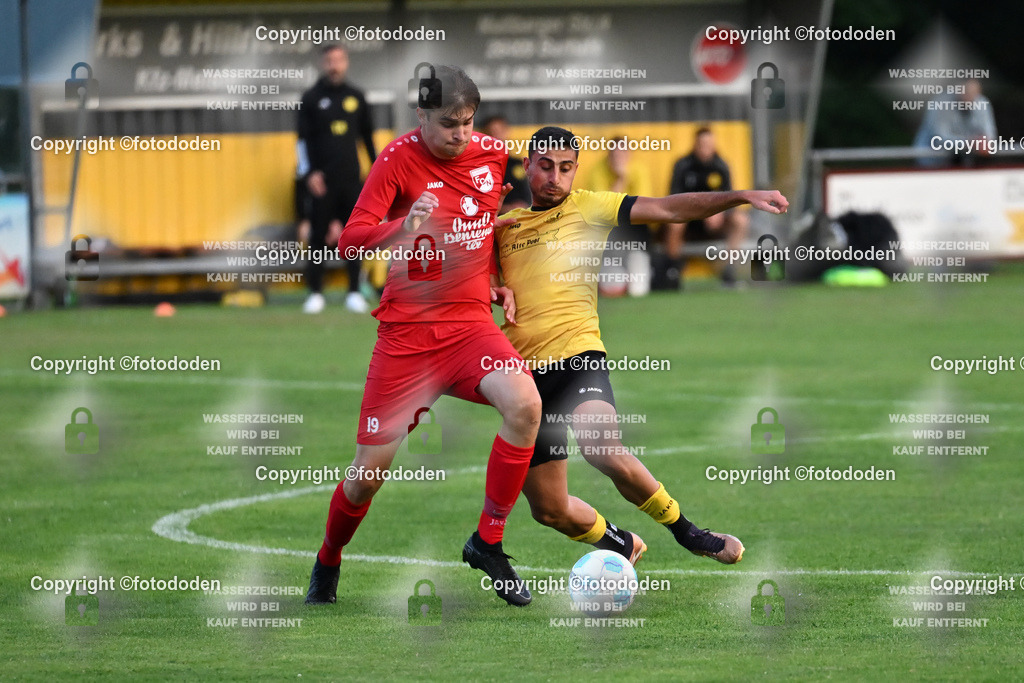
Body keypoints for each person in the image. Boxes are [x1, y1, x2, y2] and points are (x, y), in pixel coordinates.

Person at [493, 126, 789, 566]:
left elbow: (670, 209)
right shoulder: (502, 227)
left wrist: (739, 195)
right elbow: (471, 278)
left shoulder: (591, 206)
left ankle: (689, 533)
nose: (556, 176)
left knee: (601, 446)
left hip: (578, 357)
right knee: (549, 509)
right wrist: (494, 289)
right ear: (528, 166)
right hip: (525, 380)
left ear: (576, 172)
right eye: (546, 166)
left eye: (566, 168)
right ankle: (621, 544)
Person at [305, 65, 541, 608]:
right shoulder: (395, 159)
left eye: (467, 122)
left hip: (469, 328)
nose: (460, 133)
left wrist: (496, 283)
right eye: (448, 123)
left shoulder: (492, 154)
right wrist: (403, 226)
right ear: (421, 116)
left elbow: (481, 227)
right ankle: (328, 558)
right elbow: (351, 243)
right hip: (407, 337)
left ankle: (489, 542)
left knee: (525, 405)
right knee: (366, 479)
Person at [297, 44, 377, 314]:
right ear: (323, 63)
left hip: (351, 180)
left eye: (339, 60)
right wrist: (309, 173)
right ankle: (315, 293)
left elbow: (366, 138)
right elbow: (302, 141)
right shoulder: (310, 98)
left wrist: (377, 171)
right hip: (322, 181)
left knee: (353, 235)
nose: (334, 65)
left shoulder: (357, 96)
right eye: (329, 60)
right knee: (317, 236)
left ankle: (354, 291)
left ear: (346, 63)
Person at [664, 127, 750, 287]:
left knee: (740, 220)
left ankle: (729, 270)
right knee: (674, 223)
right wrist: (703, 211)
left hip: (714, 224)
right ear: (695, 144)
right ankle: (672, 272)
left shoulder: (721, 166)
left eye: (709, 144)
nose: (705, 148)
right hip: (689, 221)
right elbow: (672, 199)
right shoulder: (683, 165)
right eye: (702, 144)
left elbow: (731, 199)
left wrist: (719, 212)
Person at [580, 137, 653, 297]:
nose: (619, 159)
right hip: (608, 242)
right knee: (612, 290)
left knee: (638, 291)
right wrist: (621, 179)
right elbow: (602, 210)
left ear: (629, 155)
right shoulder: (597, 171)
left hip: (635, 237)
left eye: (623, 154)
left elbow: (643, 209)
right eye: (615, 155)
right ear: (609, 156)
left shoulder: (639, 170)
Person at [913, 78, 997, 167]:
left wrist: (985, 143)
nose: (969, 96)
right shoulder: (941, 103)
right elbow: (938, 140)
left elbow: (990, 135)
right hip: (932, 163)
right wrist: (969, 143)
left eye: (973, 92)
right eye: (966, 92)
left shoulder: (982, 103)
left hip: (963, 162)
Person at [479, 115, 531, 211]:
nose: (496, 137)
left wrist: (522, 206)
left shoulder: (517, 163)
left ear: (507, 132)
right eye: (491, 133)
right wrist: (504, 209)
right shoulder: (480, 167)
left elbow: (528, 195)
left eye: (499, 131)